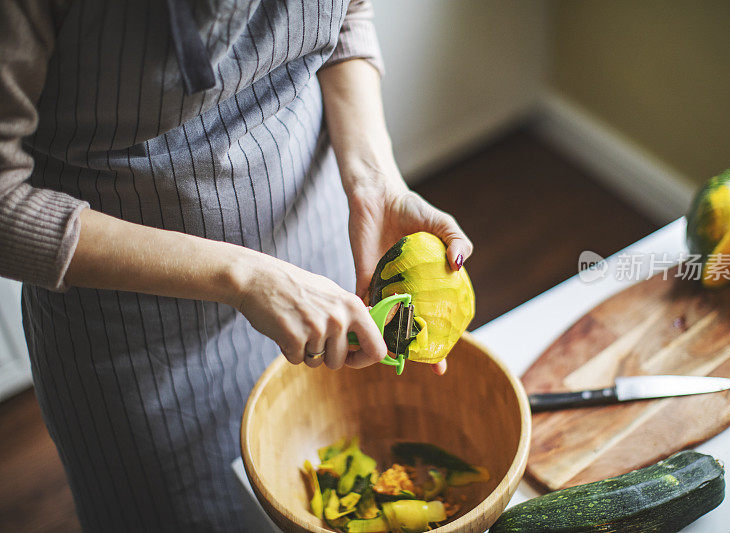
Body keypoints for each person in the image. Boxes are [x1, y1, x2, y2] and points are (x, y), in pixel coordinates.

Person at [0, 0, 473, 530]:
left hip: (320, 262)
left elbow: (348, 15)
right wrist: (247, 278)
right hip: (140, 338)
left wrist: (374, 180)